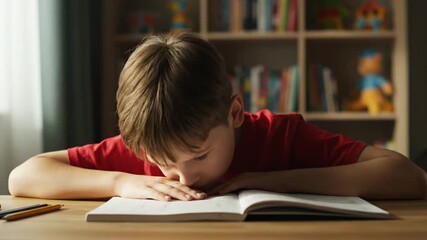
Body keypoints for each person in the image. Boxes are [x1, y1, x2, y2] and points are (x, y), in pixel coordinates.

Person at [8, 33, 426, 201]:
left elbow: (408, 177)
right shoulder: (154, 142)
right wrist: (120, 180)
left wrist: (269, 181)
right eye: (164, 162)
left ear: (235, 113)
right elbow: (23, 177)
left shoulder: (280, 136)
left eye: (200, 155)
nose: (182, 178)